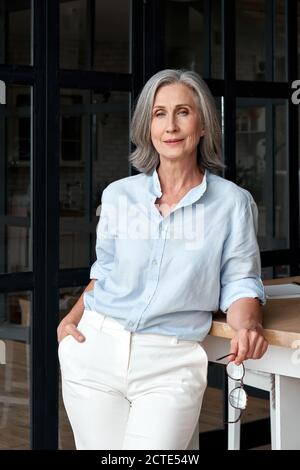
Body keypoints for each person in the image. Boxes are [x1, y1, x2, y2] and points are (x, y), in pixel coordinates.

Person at [57, 69, 268, 450]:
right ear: (147, 126)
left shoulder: (232, 203)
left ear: (202, 124)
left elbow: (240, 281)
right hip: (95, 349)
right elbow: (104, 272)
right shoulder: (119, 195)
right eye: (159, 114)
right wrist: (73, 318)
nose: (170, 125)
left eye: (183, 112)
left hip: (170, 360)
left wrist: (247, 325)